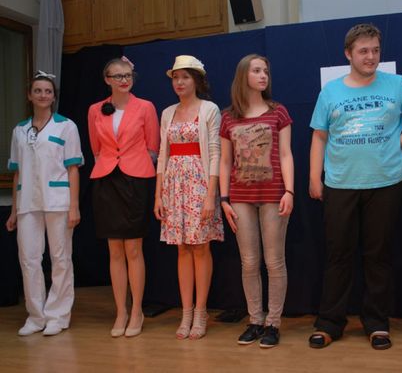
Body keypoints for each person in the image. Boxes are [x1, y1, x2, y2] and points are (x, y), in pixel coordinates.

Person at [308, 23, 402, 349]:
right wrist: (314, 177)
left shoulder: (396, 84)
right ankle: (329, 323)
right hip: (340, 183)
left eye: (375, 50)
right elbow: (319, 136)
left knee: (378, 256)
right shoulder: (331, 92)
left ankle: (376, 324)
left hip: (387, 182)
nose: (370, 57)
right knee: (338, 256)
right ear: (348, 54)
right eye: (363, 51)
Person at [219, 54, 294, 348]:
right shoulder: (229, 117)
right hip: (240, 198)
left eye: (266, 71)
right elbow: (225, 161)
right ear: (243, 76)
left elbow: (286, 154)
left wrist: (289, 191)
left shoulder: (278, 112)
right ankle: (255, 319)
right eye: (257, 71)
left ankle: (273, 323)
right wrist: (223, 198)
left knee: (274, 262)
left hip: (274, 196)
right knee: (249, 262)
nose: (263, 75)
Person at [6, 71, 83, 336]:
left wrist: (74, 206)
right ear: (29, 95)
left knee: (60, 259)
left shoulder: (66, 126)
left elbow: (73, 168)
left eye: (48, 91)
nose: (43, 95)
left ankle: (57, 316)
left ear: (53, 96)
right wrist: (14, 210)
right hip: (27, 202)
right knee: (29, 259)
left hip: (58, 202)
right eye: (37, 90)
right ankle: (36, 316)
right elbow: (18, 173)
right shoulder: (19, 131)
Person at [88, 57, 159, 338]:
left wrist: (135, 167)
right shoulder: (95, 110)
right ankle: (121, 311)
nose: (124, 80)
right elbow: (95, 149)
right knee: (114, 250)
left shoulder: (146, 107)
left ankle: (137, 310)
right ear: (107, 79)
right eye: (118, 76)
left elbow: (153, 147)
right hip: (106, 181)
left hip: (135, 180)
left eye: (128, 75)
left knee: (133, 249)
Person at [154, 55, 224, 340]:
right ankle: (186, 312)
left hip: (199, 183)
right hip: (174, 184)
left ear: (196, 80)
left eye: (185, 77)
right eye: (176, 77)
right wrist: (158, 195)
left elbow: (215, 152)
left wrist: (211, 195)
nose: (179, 82)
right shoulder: (167, 112)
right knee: (182, 248)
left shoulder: (209, 109)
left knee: (200, 247)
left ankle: (201, 312)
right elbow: (162, 154)